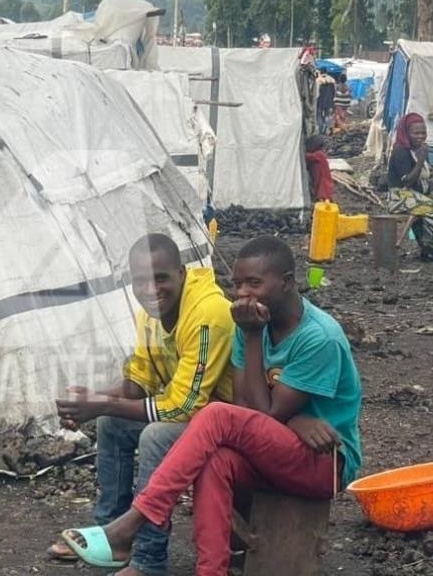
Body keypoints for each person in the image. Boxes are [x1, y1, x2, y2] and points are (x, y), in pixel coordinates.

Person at [60, 236, 362, 576]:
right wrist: (292, 419)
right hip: (276, 447)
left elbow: (254, 416)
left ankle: (131, 524)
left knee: (214, 415)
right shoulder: (248, 323)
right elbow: (245, 406)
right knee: (215, 460)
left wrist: (251, 341)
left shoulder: (317, 337)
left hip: (323, 462)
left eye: (254, 284)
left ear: (287, 282)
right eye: (237, 284)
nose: (243, 294)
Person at [50, 233, 235, 576]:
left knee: (155, 435)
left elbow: (184, 407)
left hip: (229, 425)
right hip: (199, 418)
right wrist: (91, 401)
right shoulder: (150, 313)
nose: (151, 289)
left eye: (161, 278)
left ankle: (149, 561)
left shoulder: (208, 313)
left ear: (181, 272)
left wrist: (102, 404)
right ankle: (110, 535)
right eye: (141, 281)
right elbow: (141, 382)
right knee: (112, 425)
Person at [387, 113, 433, 260]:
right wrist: (420, 161)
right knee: (430, 211)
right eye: (415, 133)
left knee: (426, 208)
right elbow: (407, 182)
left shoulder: (417, 149)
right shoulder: (401, 151)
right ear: (406, 132)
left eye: (423, 133)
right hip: (399, 196)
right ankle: (429, 249)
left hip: (414, 196)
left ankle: (427, 250)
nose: (420, 136)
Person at [305, 135, 334, 202]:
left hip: (323, 178)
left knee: (323, 192)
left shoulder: (319, 154)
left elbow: (309, 157)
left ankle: (324, 204)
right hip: (319, 177)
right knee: (319, 190)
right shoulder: (319, 154)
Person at [315, 68, 336, 134]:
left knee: (319, 115)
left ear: (320, 72)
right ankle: (327, 130)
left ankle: (321, 130)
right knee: (327, 115)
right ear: (326, 72)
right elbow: (334, 92)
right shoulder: (332, 80)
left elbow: (316, 93)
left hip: (320, 101)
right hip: (329, 102)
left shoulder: (318, 80)